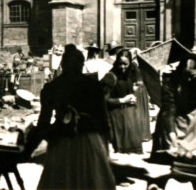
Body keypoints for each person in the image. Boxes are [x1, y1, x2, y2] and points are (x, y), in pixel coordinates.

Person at [25, 44, 115, 189]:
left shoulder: (52, 87)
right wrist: (106, 148)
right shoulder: (93, 86)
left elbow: (43, 124)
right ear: (81, 65)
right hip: (89, 141)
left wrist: (28, 148)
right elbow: (103, 120)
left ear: (63, 64)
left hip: (61, 142)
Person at [150, 53, 196, 164]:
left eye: (192, 76)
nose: (189, 79)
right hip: (174, 117)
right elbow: (169, 107)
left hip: (192, 121)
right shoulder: (171, 81)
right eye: (186, 75)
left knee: (190, 156)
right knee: (171, 154)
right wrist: (171, 132)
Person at [106, 49, 143, 154]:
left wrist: (133, 96)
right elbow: (103, 99)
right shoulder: (111, 77)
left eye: (125, 64)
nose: (122, 67)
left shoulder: (130, 75)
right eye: (120, 64)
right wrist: (122, 100)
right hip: (118, 121)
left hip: (131, 120)